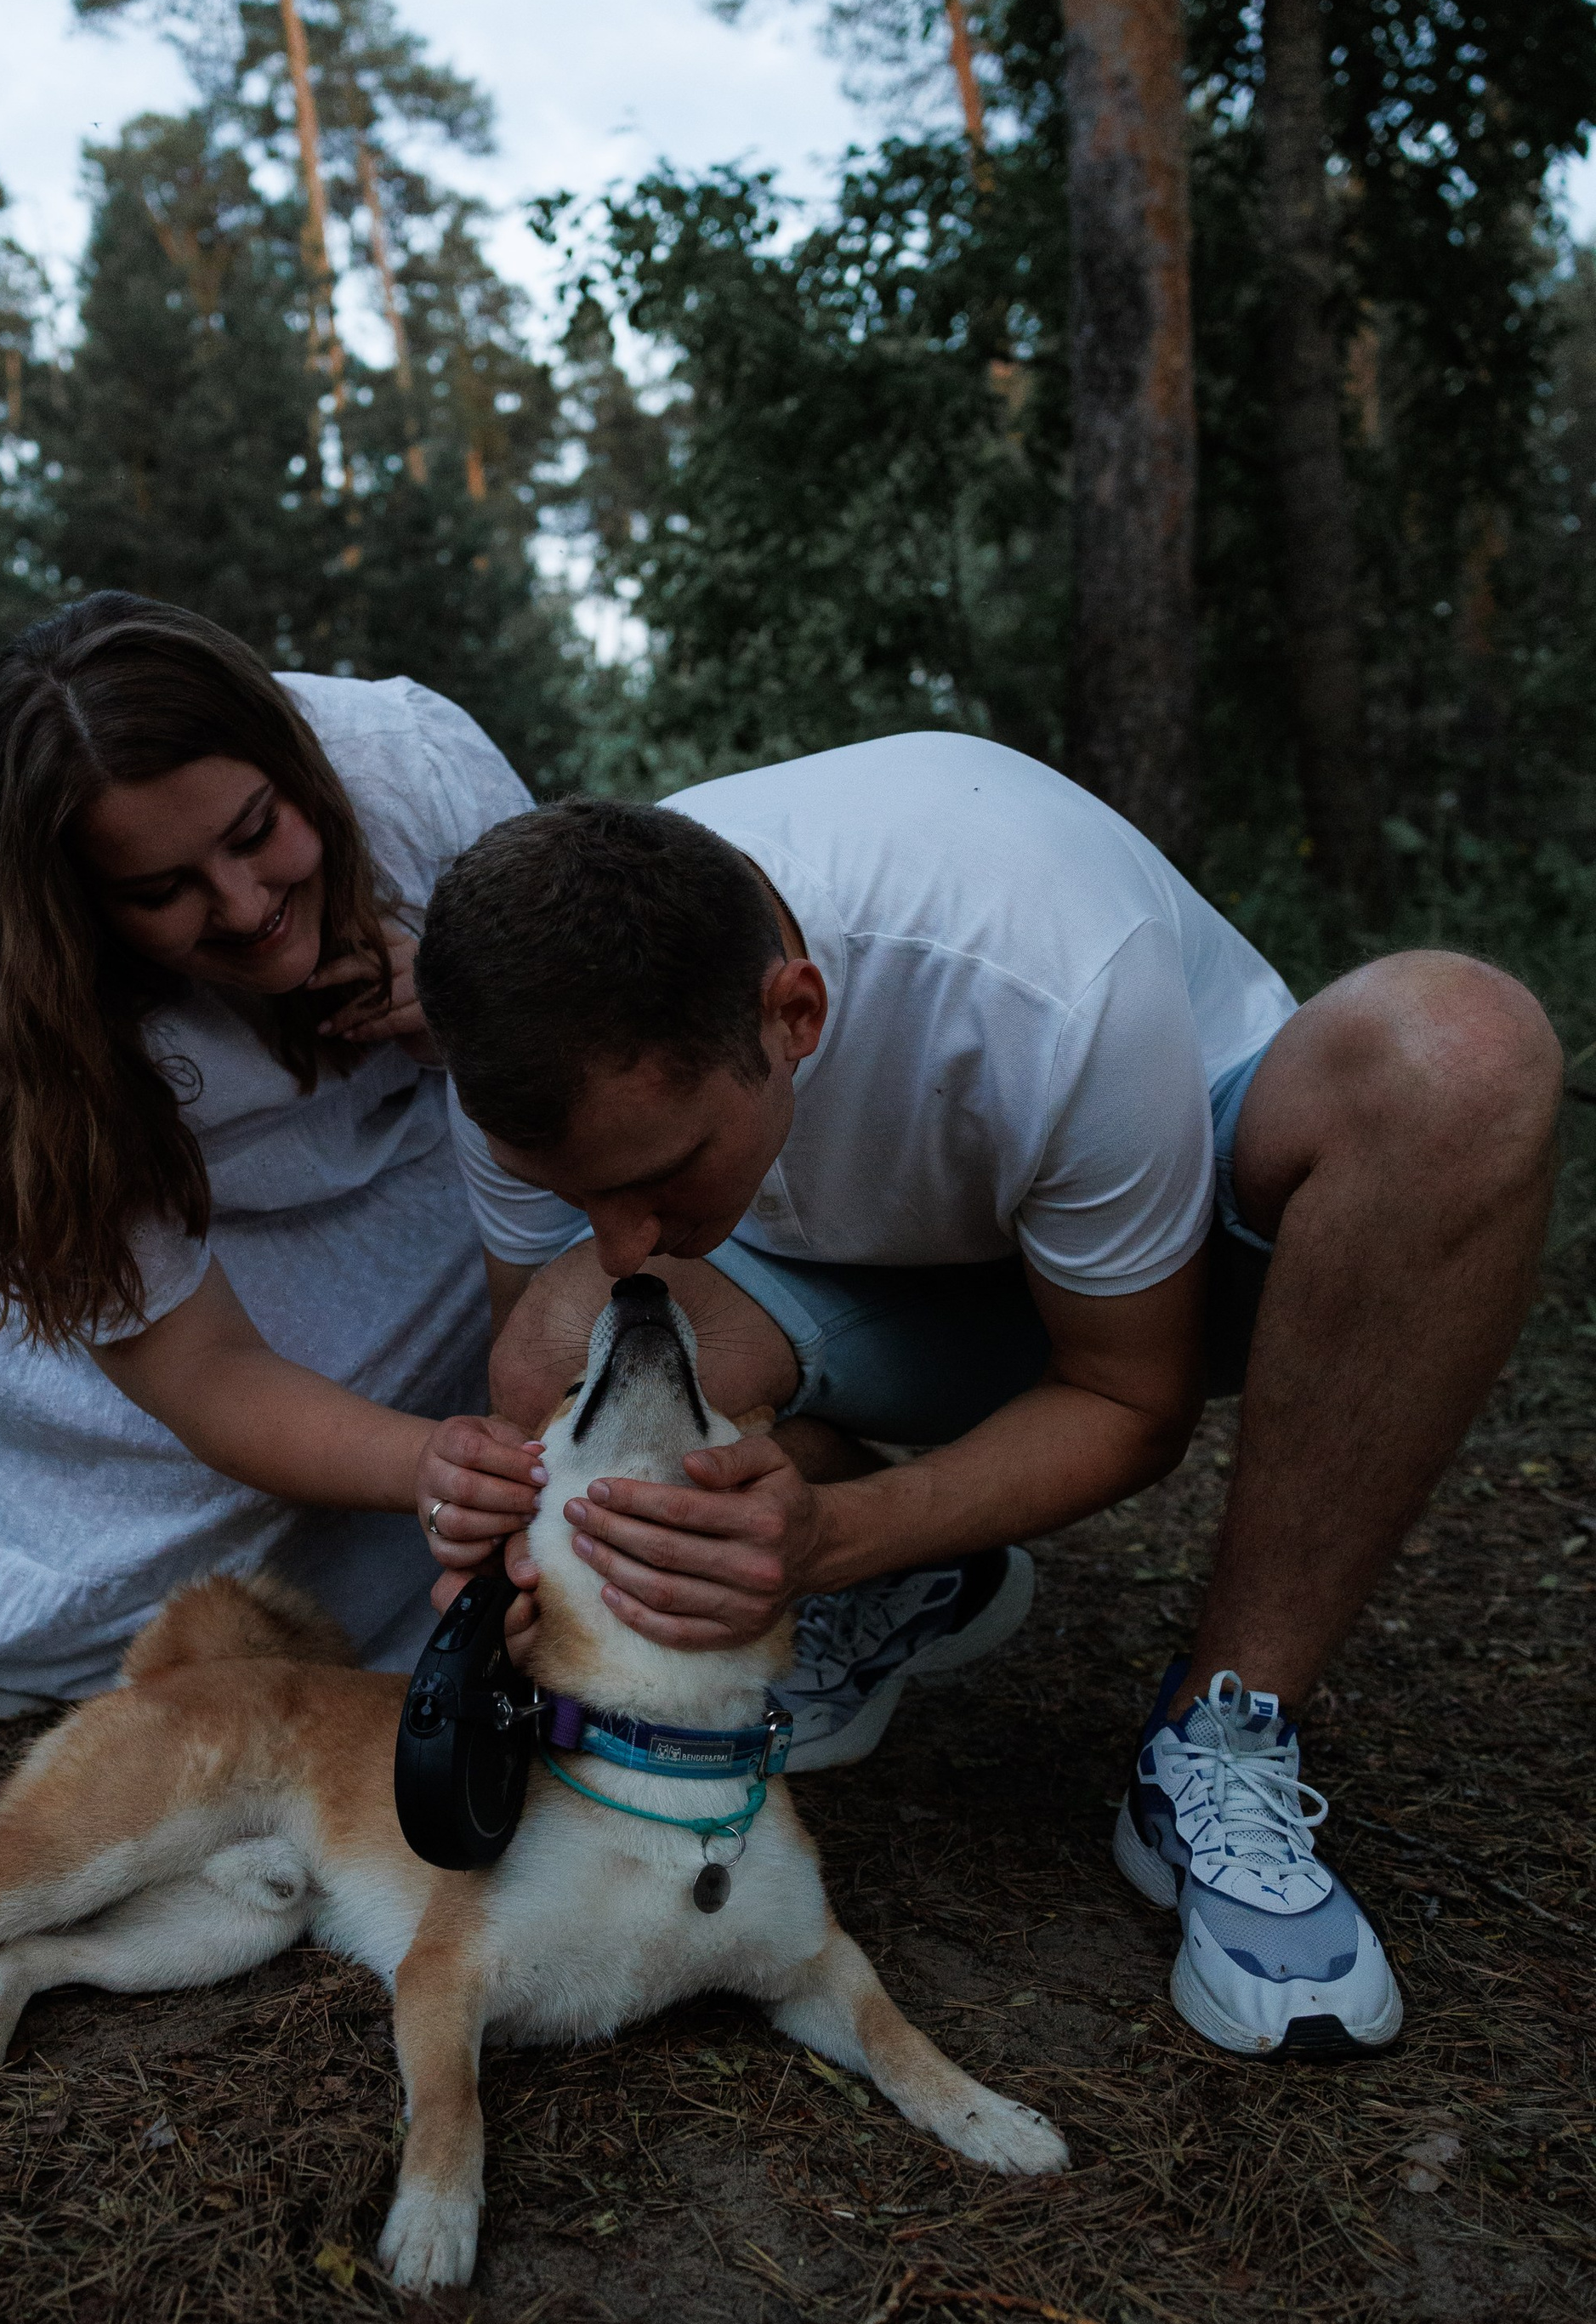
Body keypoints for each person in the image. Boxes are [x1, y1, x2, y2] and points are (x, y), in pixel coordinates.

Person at [415, 742, 1563, 2061]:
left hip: (1180, 1279)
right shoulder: (532, 1027)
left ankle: (1225, 1732)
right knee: (559, 1349)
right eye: (578, 1196)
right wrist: (501, 1548)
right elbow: (545, 1395)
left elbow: (1133, 1401)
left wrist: (824, 1538)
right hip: (878, 1287)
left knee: (1459, 1052)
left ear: (795, 1012)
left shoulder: (1036, 963)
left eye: (664, 1172)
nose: (627, 1246)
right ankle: (918, 1582)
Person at [0, 595, 540, 1714]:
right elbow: (204, 1372)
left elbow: (568, 1072)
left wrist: (469, 1019)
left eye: (255, 833)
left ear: (295, 760)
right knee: (162, 1562)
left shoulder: (416, 768)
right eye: (160, 891)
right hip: (80, 1242)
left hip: (377, 1161)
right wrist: (428, 1469)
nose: (245, 907)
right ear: (78, 906)